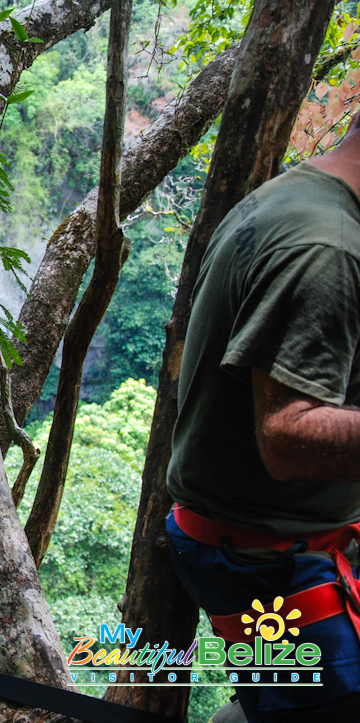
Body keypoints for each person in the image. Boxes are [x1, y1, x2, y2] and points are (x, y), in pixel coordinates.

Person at [166, 117, 360, 722]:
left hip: (264, 534)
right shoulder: (326, 248)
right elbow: (288, 437)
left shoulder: (299, 194)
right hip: (266, 559)